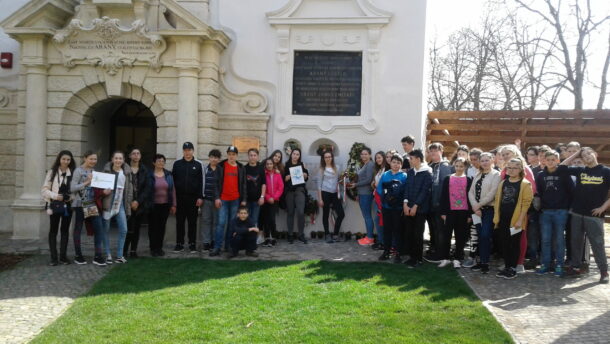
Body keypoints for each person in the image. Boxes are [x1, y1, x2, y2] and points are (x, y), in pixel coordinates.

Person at [561, 148, 610, 283]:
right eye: (584, 156)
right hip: (577, 212)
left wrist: (603, 207)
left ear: (596, 154)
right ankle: (575, 267)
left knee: (597, 244)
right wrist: (577, 153)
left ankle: (604, 271)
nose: (587, 156)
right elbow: (562, 167)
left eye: (589, 153)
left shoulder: (606, 171)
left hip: (593, 215)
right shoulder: (580, 170)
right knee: (576, 242)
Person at [493, 158, 533, 279]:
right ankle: (507, 266)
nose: (511, 170)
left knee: (514, 244)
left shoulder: (525, 184)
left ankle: (513, 268)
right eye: (509, 167)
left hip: (516, 218)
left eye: (514, 167)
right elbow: (498, 200)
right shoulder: (503, 183)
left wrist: (520, 220)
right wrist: (497, 217)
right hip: (503, 217)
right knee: (504, 243)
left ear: (521, 169)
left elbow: (526, 204)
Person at [535, 150, 573, 277]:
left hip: (561, 211)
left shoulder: (563, 173)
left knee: (559, 239)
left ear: (558, 160)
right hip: (545, 211)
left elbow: (571, 191)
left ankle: (559, 265)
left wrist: (568, 208)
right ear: (544, 161)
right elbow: (539, 192)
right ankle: (545, 264)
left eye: (553, 159)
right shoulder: (540, 175)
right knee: (545, 239)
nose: (550, 162)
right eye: (548, 159)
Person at [70, 151, 106, 266]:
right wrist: (87, 182)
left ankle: (98, 256)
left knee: (98, 229)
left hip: (91, 204)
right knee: (78, 229)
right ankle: (78, 255)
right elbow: (72, 188)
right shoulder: (78, 171)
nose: (93, 161)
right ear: (85, 158)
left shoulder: (94, 171)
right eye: (91, 159)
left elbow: (97, 189)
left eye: (95, 159)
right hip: (80, 204)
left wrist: (105, 190)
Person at [469, 152, 501, 274]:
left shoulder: (496, 175)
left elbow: (492, 193)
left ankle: (485, 262)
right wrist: (475, 207)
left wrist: (479, 205)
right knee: (479, 236)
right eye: (482, 161)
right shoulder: (478, 174)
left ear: (492, 160)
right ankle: (480, 261)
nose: (484, 163)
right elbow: (471, 192)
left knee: (485, 235)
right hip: (477, 211)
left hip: (488, 210)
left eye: (487, 160)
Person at [42, 150, 76, 265]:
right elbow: (44, 190)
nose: (66, 161)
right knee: (53, 231)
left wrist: (70, 197)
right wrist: (56, 196)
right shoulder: (52, 172)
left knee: (65, 231)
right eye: (63, 159)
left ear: (71, 161)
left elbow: (76, 190)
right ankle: (53, 258)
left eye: (68, 159)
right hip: (55, 205)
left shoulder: (73, 173)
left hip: (68, 206)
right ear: (59, 159)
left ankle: (63, 257)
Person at [211, 146, 246, 256]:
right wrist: (217, 197)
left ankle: (229, 246)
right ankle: (217, 247)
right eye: (229, 154)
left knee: (232, 225)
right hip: (223, 200)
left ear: (236, 155)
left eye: (233, 154)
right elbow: (216, 184)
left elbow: (244, 185)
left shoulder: (241, 167)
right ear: (227, 155)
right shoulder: (221, 166)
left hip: (235, 199)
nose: (231, 156)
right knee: (221, 223)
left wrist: (244, 199)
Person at [438, 157, 472, 268]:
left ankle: (458, 258)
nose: (459, 168)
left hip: (463, 212)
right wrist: (443, 212)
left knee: (460, 236)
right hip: (449, 212)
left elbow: (470, 198)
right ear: (454, 166)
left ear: (465, 167)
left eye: (461, 166)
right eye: (457, 166)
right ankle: (445, 258)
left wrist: (469, 214)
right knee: (446, 236)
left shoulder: (468, 179)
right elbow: (443, 196)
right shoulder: (448, 178)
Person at [402, 149, 433, 268]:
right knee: (409, 233)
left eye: (411, 158)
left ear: (418, 159)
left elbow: (425, 192)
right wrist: (405, 204)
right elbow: (407, 189)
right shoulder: (410, 172)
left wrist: (415, 206)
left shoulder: (427, 173)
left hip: (420, 209)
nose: (409, 161)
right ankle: (412, 257)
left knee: (417, 235)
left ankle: (418, 259)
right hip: (408, 207)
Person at [101, 151, 133, 264]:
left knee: (124, 229)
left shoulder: (127, 172)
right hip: (107, 203)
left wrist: (128, 203)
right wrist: (103, 192)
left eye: (120, 158)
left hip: (120, 203)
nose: (118, 160)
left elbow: (129, 189)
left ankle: (119, 255)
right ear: (112, 159)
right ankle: (108, 254)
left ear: (123, 160)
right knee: (105, 229)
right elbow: (99, 188)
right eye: (116, 158)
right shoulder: (106, 171)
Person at [172, 142, 203, 253]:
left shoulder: (198, 165)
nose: (187, 152)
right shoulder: (177, 164)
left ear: (193, 151)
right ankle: (179, 243)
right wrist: (173, 200)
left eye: (189, 150)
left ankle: (192, 244)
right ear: (183, 151)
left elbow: (201, 182)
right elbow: (173, 183)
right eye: (185, 150)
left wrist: (200, 197)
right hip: (180, 198)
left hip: (193, 199)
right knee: (179, 222)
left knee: (192, 222)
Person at [377, 154, 408, 262]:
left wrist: (398, 200)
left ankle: (398, 253)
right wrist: (385, 198)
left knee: (398, 231)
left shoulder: (404, 176)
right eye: (394, 162)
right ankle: (386, 252)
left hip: (398, 208)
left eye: (398, 163)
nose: (396, 164)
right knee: (387, 230)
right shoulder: (385, 175)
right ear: (390, 163)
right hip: (386, 207)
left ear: (401, 164)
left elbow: (406, 192)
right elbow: (379, 188)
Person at [425, 142, 452, 262]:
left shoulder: (446, 167)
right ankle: (435, 250)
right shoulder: (430, 166)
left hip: (440, 205)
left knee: (441, 230)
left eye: (435, 151)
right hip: (430, 204)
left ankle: (442, 254)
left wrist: (443, 205)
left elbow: (445, 188)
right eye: (431, 151)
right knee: (433, 229)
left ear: (441, 151)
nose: (433, 153)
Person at [123, 148, 150, 258]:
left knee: (137, 228)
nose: (136, 155)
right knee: (126, 228)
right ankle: (123, 250)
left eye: (138, 153)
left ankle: (133, 250)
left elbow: (147, 188)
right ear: (129, 156)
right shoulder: (124, 169)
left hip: (139, 204)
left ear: (140, 156)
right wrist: (129, 202)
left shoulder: (144, 170)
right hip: (126, 203)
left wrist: (138, 201)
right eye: (133, 153)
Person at [148, 154, 176, 257]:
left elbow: (172, 190)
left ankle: (159, 248)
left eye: (162, 161)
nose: (161, 163)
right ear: (154, 163)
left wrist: (174, 204)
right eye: (158, 161)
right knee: (153, 228)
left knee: (161, 227)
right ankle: (153, 248)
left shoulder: (168, 174)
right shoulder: (149, 175)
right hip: (153, 205)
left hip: (165, 205)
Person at [317, 151, 345, 243]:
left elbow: (339, 181)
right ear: (323, 159)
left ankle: (335, 234)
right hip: (325, 193)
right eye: (326, 157)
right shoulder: (322, 169)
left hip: (335, 194)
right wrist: (320, 199)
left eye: (329, 157)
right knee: (326, 214)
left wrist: (345, 179)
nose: (328, 158)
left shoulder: (337, 168)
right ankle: (327, 234)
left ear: (332, 157)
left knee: (341, 214)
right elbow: (319, 185)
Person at [283, 148, 309, 244]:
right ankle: (290, 234)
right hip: (289, 191)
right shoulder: (286, 165)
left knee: (301, 212)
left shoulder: (302, 165)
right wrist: (287, 177)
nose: (295, 156)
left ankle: (300, 234)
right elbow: (283, 179)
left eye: (297, 154)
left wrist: (305, 174)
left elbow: (306, 177)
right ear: (291, 154)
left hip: (299, 190)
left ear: (299, 156)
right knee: (290, 212)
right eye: (294, 154)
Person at [200, 149, 222, 251]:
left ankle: (214, 241)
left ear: (219, 159)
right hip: (206, 200)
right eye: (212, 157)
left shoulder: (221, 170)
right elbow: (200, 184)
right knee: (206, 221)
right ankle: (206, 242)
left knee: (216, 222)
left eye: (216, 157)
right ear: (209, 157)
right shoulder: (204, 169)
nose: (214, 159)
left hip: (217, 201)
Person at [354, 147, 376, 246]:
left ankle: (370, 238)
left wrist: (355, 185)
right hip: (362, 193)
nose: (363, 156)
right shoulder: (365, 164)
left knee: (367, 216)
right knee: (366, 216)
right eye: (362, 154)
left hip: (366, 193)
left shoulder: (370, 164)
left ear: (370, 155)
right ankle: (368, 237)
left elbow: (368, 180)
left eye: (366, 154)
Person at [244, 148, 267, 243]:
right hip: (247, 200)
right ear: (248, 156)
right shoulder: (244, 169)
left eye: (254, 155)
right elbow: (242, 185)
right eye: (251, 155)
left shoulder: (261, 168)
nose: (253, 157)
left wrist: (262, 197)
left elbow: (264, 184)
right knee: (246, 220)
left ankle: (252, 240)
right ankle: (246, 240)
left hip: (257, 200)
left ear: (257, 157)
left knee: (254, 221)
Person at [260, 158, 284, 247]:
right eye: (267, 164)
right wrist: (268, 197)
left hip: (275, 200)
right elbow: (262, 187)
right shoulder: (263, 175)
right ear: (265, 165)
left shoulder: (277, 174)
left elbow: (280, 187)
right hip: (266, 200)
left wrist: (274, 198)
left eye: (271, 164)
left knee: (272, 219)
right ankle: (267, 238)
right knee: (266, 220)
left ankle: (273, 238)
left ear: (273, 165)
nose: (269, 165)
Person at [372, 151, 390, 250]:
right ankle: (381, 241)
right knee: (378, 220)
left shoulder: (387, 169)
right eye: (376, 158)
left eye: (379, 157)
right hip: (377, 196)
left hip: (382, 198)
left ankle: (382, 242)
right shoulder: (380, 169)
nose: (378, 159)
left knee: (380, 220)